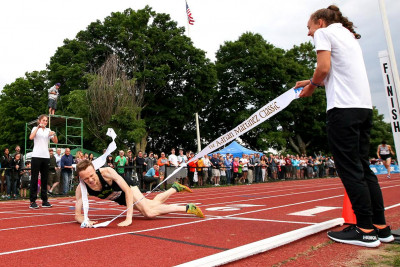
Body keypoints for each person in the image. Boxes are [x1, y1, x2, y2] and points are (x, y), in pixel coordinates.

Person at [295, 5, 393, 247]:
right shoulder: (347, 35)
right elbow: (338, 71)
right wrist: (311, 79)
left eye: (308, 27)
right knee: (363, 169)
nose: (308, 33)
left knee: (350, 170)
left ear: (319, 22)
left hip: (343, 110)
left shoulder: (323, 33)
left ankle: (364, 230)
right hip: (363, 109)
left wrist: (312, 86)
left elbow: (325, 68)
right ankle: (380, 228)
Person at [74, 160, 204, 227]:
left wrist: (128, 218)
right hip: (120, 199)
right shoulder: (81, 188)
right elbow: (77, 215)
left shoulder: (107, 172)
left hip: (129, 188)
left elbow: (127, 190)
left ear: (95, 170)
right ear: (81, 178)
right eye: (85, 178)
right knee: (153, 204)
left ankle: (188, 208)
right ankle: (175, 188)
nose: (90, 180)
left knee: (149, 212)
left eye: (91, 176)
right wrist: (85, 221)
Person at [29, 114, 58, 208]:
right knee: (34, 178)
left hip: (45, 157)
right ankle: (33, 201)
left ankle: (44, 200)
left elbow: (56, 141)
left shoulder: (48, 130)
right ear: (39, 120)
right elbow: (31, 137)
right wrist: (38, 127)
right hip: (36, 156)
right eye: (43, 120)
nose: (45, 122)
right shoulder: (35, 128)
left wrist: (54, 134)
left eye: (46, 121)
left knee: (45, 179)